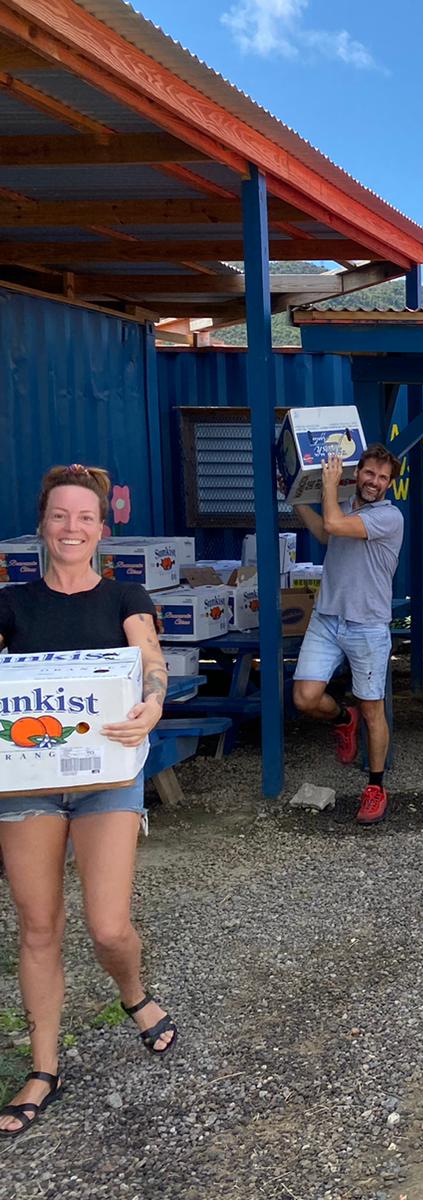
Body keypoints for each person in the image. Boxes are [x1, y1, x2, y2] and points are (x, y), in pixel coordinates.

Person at [0, 466, 177, 1137]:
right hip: (28, 782)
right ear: (41, 526)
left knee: (107, 927)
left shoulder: (125, 595)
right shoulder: (11, 604)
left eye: (84, 518)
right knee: (38, 923)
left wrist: (153, 702)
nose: (72, 528)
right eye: (59, 516)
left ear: (103, 529)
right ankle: (43, 1067)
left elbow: (149, 656)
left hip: (108, 776)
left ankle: (132, 993)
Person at [293, 446, 404, 826]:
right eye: (369, 473)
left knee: (374, 708)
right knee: (305, 698)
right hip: (326, 618)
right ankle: (343, 718)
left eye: (382, 477)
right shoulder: (344, 507)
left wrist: (326, 485)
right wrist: (295, 497)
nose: (374, 482)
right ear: (358, 474)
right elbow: (324, 532)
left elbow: (334, 525)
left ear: (390, 484)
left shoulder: (389, 516)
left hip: (368, 625)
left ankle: (375, 786)